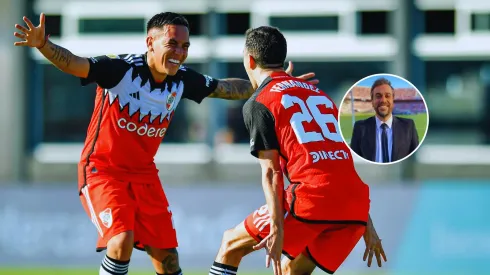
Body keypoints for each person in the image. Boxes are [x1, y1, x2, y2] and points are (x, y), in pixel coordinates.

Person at [13, 12, 318, 275]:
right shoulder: (120, 70)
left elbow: (228, 88)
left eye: (185, 46)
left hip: (145, 176)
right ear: (150, 42)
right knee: (120, 242)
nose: (180, 52)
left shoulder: (182, 79)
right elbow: (74, 64)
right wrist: (43, 45)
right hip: (103, 172)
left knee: (169, 260)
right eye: (172, 44)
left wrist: (271, 81)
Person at [209, 26, 386, 275]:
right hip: (354, 206)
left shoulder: (260, 103)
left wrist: (276, 228)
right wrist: (367, 222)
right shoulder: (322, 97)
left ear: (249, 59)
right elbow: (337, 163)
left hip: (311, 200)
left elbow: (271, 172)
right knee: (291, 270)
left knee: (230, 244)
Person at [350, 77, 419, 163]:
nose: (383, 100)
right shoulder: (360, 128)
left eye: (387, 96)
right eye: (378, 96)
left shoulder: (408, 126)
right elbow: (354, 160)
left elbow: (415, 160)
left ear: (393, 100)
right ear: (372, 101)